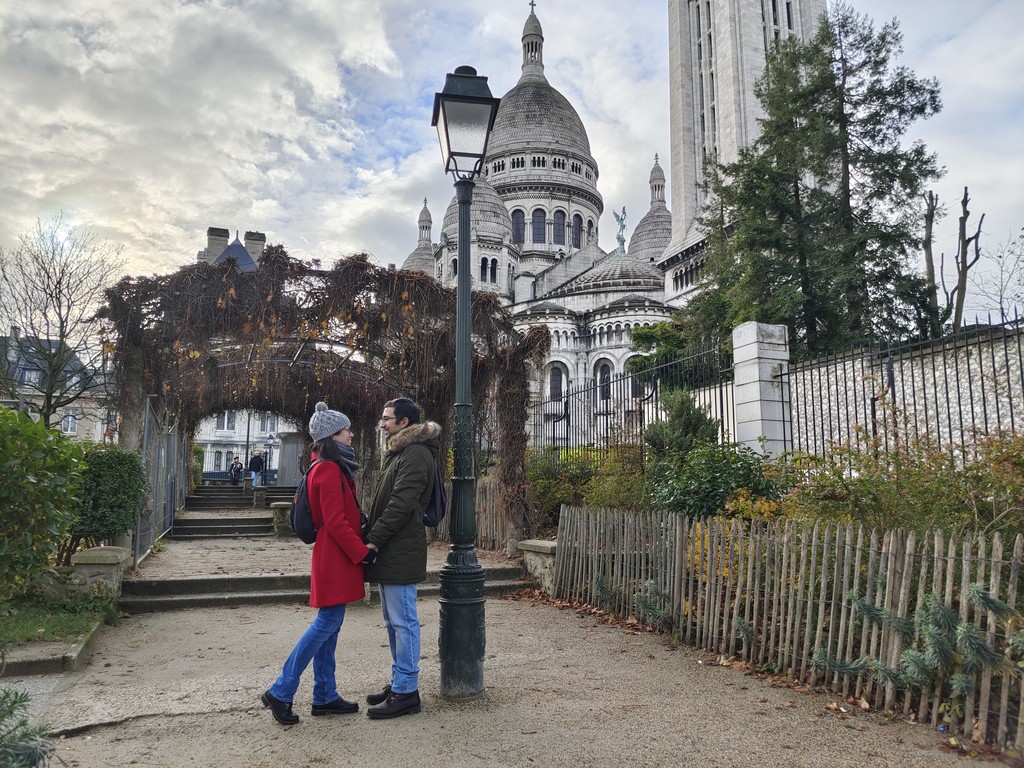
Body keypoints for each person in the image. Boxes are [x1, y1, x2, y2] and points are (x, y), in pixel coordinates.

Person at [261, 402, 376, 725]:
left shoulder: (328, 466)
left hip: (335, 555)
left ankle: (325, 694)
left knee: (331, 627)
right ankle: (281, 690)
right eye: (345, 431)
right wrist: (363, 552)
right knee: (326, 624)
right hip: (335, 556)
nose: (352, 435)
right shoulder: (326, 469)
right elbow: (335, 522)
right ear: (331, 436)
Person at [362, 397, 440, 719]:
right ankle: (399, 682)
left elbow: (401, 504)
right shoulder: (399, 453)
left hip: (399, 549)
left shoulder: (416, 454)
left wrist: (374, 540)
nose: (381, 423)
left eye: (386, 418)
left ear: (403, 422)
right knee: (394, 623)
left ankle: (407, 692)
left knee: (404, 622)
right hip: (392, 551)